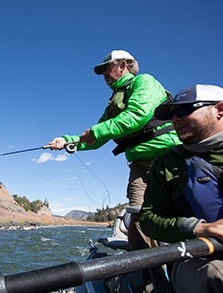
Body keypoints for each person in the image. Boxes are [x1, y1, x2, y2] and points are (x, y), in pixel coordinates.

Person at [48, 49, 181, 250]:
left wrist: (97, 131)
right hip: (139, 167)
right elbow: (96, 138)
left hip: (168, 157)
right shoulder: (112, 105)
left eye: (106, 68)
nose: (103, 74)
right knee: (137, 217)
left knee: (181, 214)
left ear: (122, 66)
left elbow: (137, 116)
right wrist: (67, 141)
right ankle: (146, 275)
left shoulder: (144, 82)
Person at [139, 84, 223, 292]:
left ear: (219, 110)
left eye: (185, 111)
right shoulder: (166, 164)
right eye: (173, 114)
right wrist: (199, 228)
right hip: (192, 258)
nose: (175, 119)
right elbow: (148, 219)